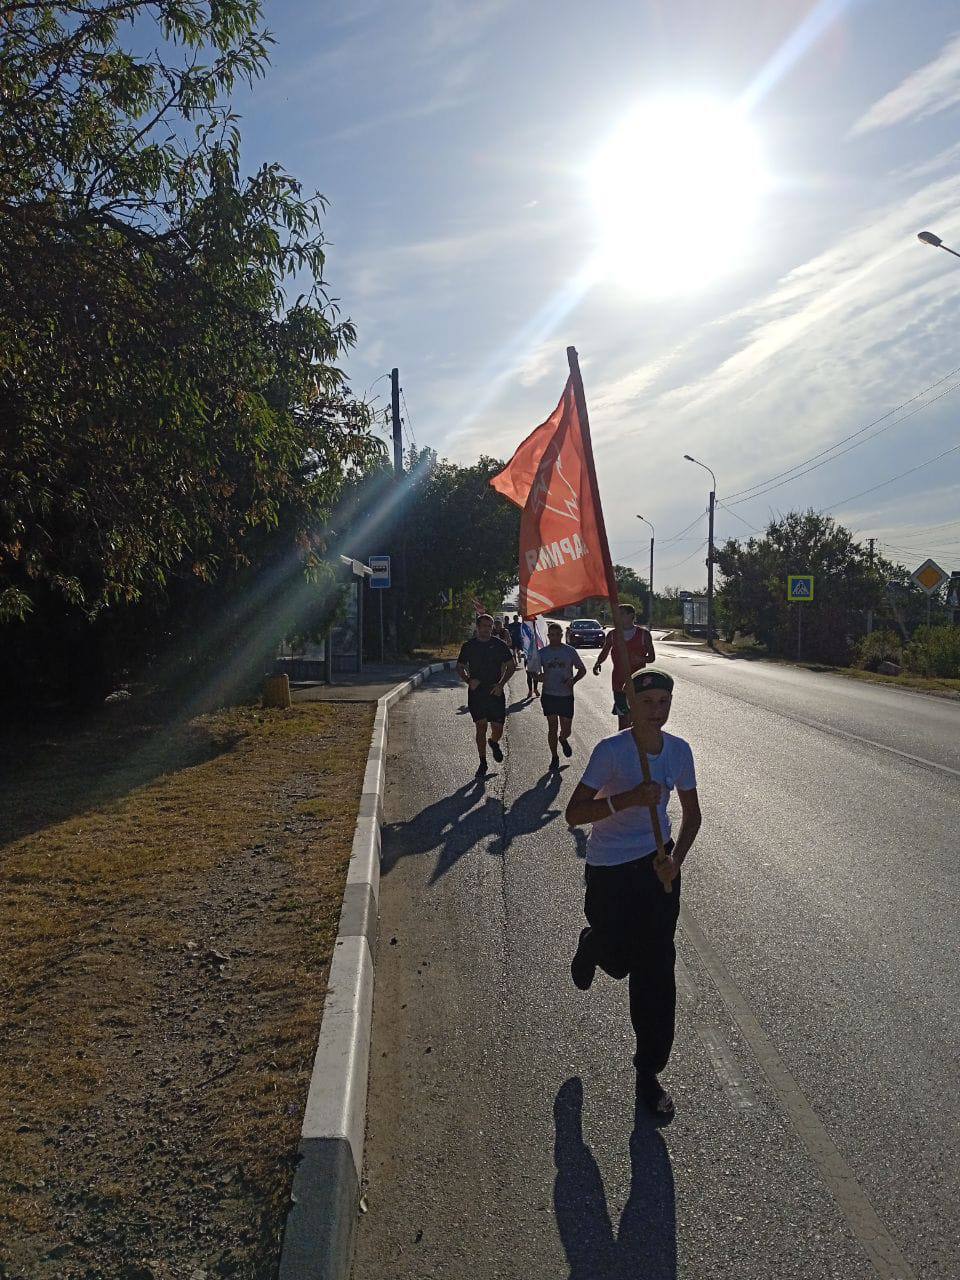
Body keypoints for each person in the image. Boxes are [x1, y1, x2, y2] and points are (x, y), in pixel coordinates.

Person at [564, 668, 701, 1121]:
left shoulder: (679, 751)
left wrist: (675, 859)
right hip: (609, 870)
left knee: (656, 971)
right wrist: (626, 800)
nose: (657, 710)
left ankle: (649, 1073)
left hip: (657, 869)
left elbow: (692, 815)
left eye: (664, 702)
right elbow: (573, 814)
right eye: (648, 702)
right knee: (618, 961)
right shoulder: (611, 752)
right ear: (629, 702)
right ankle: (594, 942)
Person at [456, 614, 516, 777]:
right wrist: (469, 680)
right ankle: (483, 762)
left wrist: (501, 684)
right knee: (481, 726)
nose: (487, 629)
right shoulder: (469, 646)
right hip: (477, 692)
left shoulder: (499, 645)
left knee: (497, 729)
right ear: (477, 627)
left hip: (495, 691)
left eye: (490, 626)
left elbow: (512, 666)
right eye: (484, 626)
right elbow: (460, 666)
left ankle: (493, 742)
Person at [528, 622, 586, 770]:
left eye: (557, 635)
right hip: (549, 695)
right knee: (552, 727)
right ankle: (554, 756)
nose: (554, 638)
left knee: (566, 729)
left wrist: (574, 680)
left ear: (561, 635)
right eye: (551, 635)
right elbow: (532, 671)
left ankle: (563, 738)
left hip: (566, 695)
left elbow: (582, 669)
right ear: (548, 636)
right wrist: (537, 677)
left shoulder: (570, 651)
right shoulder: (542, 653)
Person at [593, 604, 656, 729]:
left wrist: (640, 659)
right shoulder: (612, 634)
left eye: (621, 614)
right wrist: (598, 663)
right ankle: (623, 745)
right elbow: (605, 651)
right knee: (623, 719)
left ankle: (636, 745)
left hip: (638, 683)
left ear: (631, 616)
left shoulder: (643, 635)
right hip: (619, 683)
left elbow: (652, 658)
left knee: (636, 718)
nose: (618, 617)